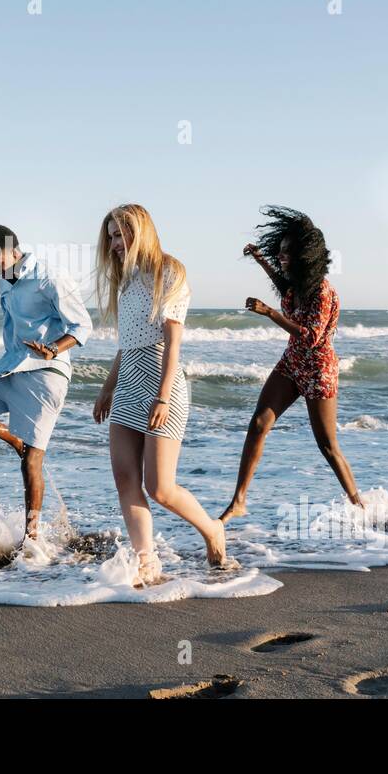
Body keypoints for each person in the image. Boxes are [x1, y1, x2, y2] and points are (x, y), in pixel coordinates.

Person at [92, 204, 233, 586]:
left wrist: (164, 396)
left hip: (160, 380)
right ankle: (146, 561)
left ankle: (212, 529)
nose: (115, 244)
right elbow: (127, 343)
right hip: (128, 381)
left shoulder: (169, 272)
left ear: (140, 231)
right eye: (111, 237)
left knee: (160, 487)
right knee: (124, 477)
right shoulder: (126, 280)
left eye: (120, 235)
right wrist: (108, 386)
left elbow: (172, 344)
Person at [0, 225, 93, 543]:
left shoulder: (48, 277)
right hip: (10, 367)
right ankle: (13, 437)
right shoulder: (2, 283)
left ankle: (32, 539)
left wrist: (53, 348)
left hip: (45, 372)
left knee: (32, 461)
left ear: (13, 249)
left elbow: (82, 325)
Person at [218, 206, 365, 523]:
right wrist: (260, 259)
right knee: (258, 424)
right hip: (291, 362)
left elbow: (311, 336)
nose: (282, 257)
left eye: (287, 252)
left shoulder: (322, 292)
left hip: (318, 370)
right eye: (280, 251)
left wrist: (269, 312)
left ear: (305, 255)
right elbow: (281, 285)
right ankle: (239, 501)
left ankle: (359, 506)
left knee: (327, 446)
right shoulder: (295, 284)